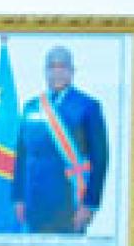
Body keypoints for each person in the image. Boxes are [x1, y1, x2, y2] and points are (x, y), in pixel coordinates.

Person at [12, 46, 110, 235]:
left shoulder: (88, 106)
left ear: (72, 71)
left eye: (62, 67)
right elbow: (21, 157)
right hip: (35, 201)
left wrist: (90, 204)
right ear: (45, 72)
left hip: (70, 201)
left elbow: (100, 160)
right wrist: (18, 198)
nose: (57, 72)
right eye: (52, 67)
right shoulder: (31, 107)